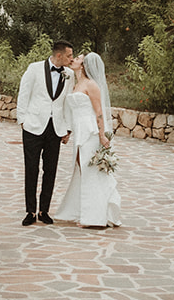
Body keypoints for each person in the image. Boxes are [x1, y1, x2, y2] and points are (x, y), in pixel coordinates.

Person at [54, 52, 122, 229]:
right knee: (80, 170)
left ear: (84, 65)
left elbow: (99, 112)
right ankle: (80, 211)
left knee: (90, 172)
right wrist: (68, 130)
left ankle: (94, 217)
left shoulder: (92, 85)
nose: (73, 59)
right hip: (79, 132)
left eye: (77, 59)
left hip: (91, 132)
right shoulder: (77, 84)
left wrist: (102, 135)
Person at [15, 40, 75, 226]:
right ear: (59, 55)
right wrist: (22, 121)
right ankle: (30, 211)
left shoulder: (69, 74)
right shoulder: (34, 69)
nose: (72, 59)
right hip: (33, 127)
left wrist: (68, 128)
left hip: (55, 128)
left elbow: (68, 102)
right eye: (69, 56)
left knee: (50, 170)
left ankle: (44, 210)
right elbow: (23, 94)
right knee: (31, 169)